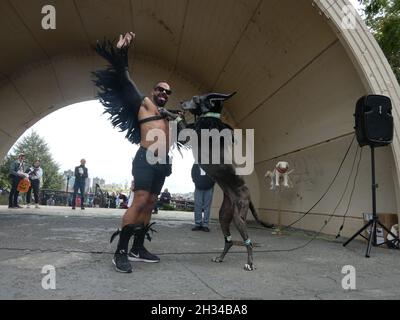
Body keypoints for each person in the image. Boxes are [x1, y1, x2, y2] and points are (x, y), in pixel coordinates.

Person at [94, 32, 182, 273]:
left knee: (151, 203)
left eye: (167, 92)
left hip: (162, 163)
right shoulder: (144, 104)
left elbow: (173, 140)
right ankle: (121, 252)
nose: (164, 94)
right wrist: (122, 51)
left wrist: (174, 121)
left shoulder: (168, 116)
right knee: (140, 200)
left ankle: (138, 248)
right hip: (145, 158)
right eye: (160, 90)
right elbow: (124, 77)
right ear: (153, 91)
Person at [191, 163, 215, 232]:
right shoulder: (196, 163)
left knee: (207, 207)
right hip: (198, 187)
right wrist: (196, 181)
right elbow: (193, 172)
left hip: (209, 187)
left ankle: (205, 225)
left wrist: (212, 182)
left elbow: (214, 174)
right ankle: (198, 224)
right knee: (197, 206)